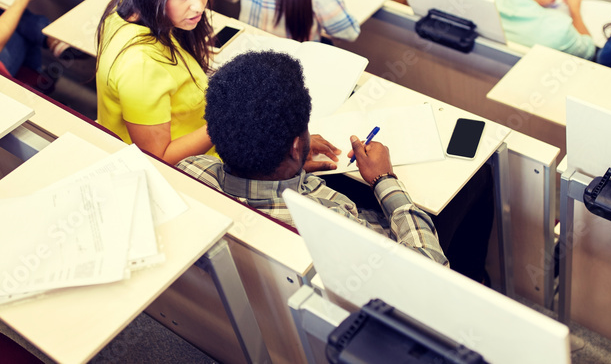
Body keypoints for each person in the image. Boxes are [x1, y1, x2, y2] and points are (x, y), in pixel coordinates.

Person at [178, 50, 449, 266]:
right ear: (297, 147)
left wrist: (287, 168)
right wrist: (384, 178)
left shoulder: (189, 170)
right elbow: (432, 268)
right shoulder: (336, 231)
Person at [95, 0, 216, 164]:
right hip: (191, 166)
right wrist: (226, 121)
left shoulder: (123, 8)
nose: (199, 6)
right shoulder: (140, 65)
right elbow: (158, 158)